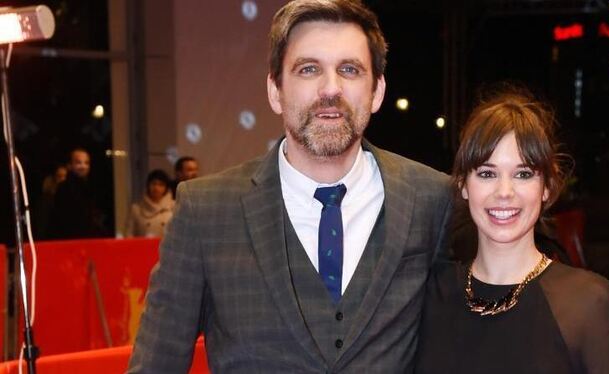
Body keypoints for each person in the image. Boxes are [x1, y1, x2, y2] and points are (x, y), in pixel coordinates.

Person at [128, 1, 452, 372]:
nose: (331, 88)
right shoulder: (205, 211)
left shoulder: (432, 198)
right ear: (274, 90)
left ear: (377, 91)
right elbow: (157, 362)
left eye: (349, 69)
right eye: (308, 69)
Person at [415, 89, 609, 373]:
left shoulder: (588, 302)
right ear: (464, 184)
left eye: (523, 174)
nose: (504, 192)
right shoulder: (429, 293)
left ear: (546, 187)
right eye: (487, 173)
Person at [48, 147, 105, 239]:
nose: (83, 166)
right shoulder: (64, 189)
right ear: (69, 165)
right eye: (78, 162)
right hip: (69, 242)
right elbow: (63, 221)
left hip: (86, 242)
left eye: (86, 163)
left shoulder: (90, 188)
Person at [125, 169, 174, 238]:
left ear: (166, 188)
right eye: (154, 183)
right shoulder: (136, 208)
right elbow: (129, 234)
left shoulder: (174, 206)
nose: (156, 188)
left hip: (167, 247)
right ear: (148, 185)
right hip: (143, 247)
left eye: (161, 184)